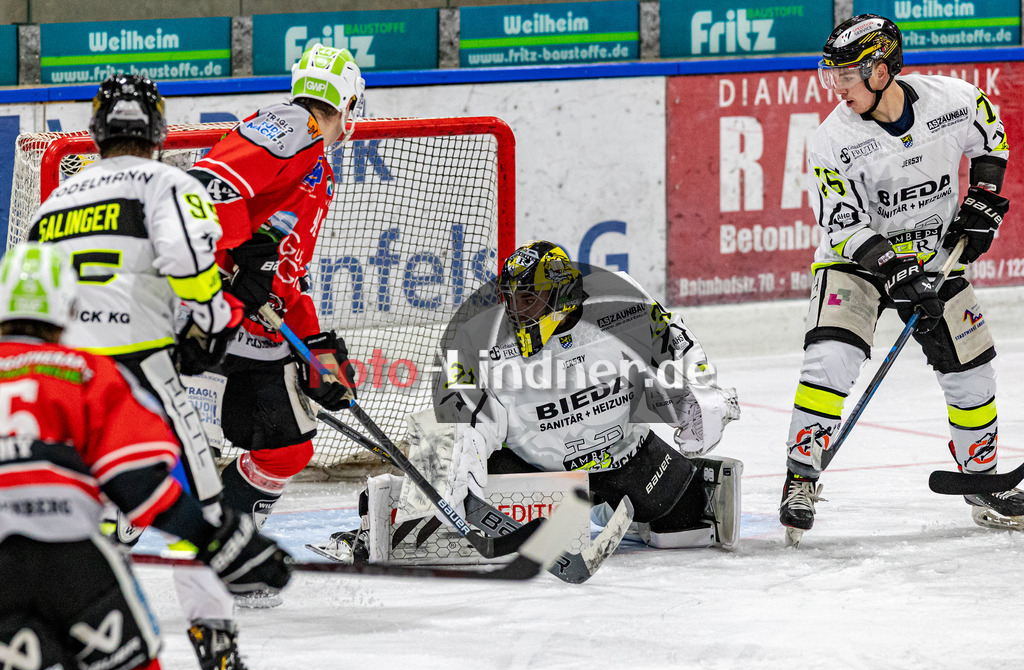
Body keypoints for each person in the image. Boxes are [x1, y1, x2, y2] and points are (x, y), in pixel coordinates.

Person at [26, 74, 270, 670]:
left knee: (74, 516)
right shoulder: (166, 181)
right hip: (140, 370)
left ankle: (61, 652)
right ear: (157, 129)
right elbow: (186, 259)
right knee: (203, 508)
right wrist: (210, 322)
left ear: (99, 129)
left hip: (61, 379)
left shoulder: (56, 202)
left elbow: (26, 304)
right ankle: (221, 662)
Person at [324, 240, 743, 561]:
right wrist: (459, 458)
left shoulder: (619, 301)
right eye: (510, 299)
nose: (515, 312)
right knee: (441, 487)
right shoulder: (477, 333)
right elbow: (463, 412)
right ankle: (379, 515)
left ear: (562, 296)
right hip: (535, 471)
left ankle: (606, 508)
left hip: (624, 453)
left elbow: (677, 345)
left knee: (682, 527)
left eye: (528, 300)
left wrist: (704, 395)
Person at [779, 14, 1021, 545]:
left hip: (937, 259)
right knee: (831, 358)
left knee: (973, 371)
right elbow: (843, 224)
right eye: (834, 76)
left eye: (847, 76)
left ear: (882, 71)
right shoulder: (832, 140)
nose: (837, 87)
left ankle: (982, 482)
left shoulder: (953, 100)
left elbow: (992, 138)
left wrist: (982, 202)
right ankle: (800, 479)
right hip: (858, 262)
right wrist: (894, 271)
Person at [0, 242, 291, 670]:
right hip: (71, 560)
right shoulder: (85, 370)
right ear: (67, 307)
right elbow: (140, 485)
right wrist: (223, 542)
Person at [185, 43, 362, 541]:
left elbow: (285, 273)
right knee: (164, 440)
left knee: (287, 450)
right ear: (348, 105)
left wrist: (316, 346)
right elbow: (207, 185)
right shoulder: (292, 126)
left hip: (253, 324)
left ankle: (226, 547)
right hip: (206, 311)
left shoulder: (318, 168)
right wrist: (240, 257)